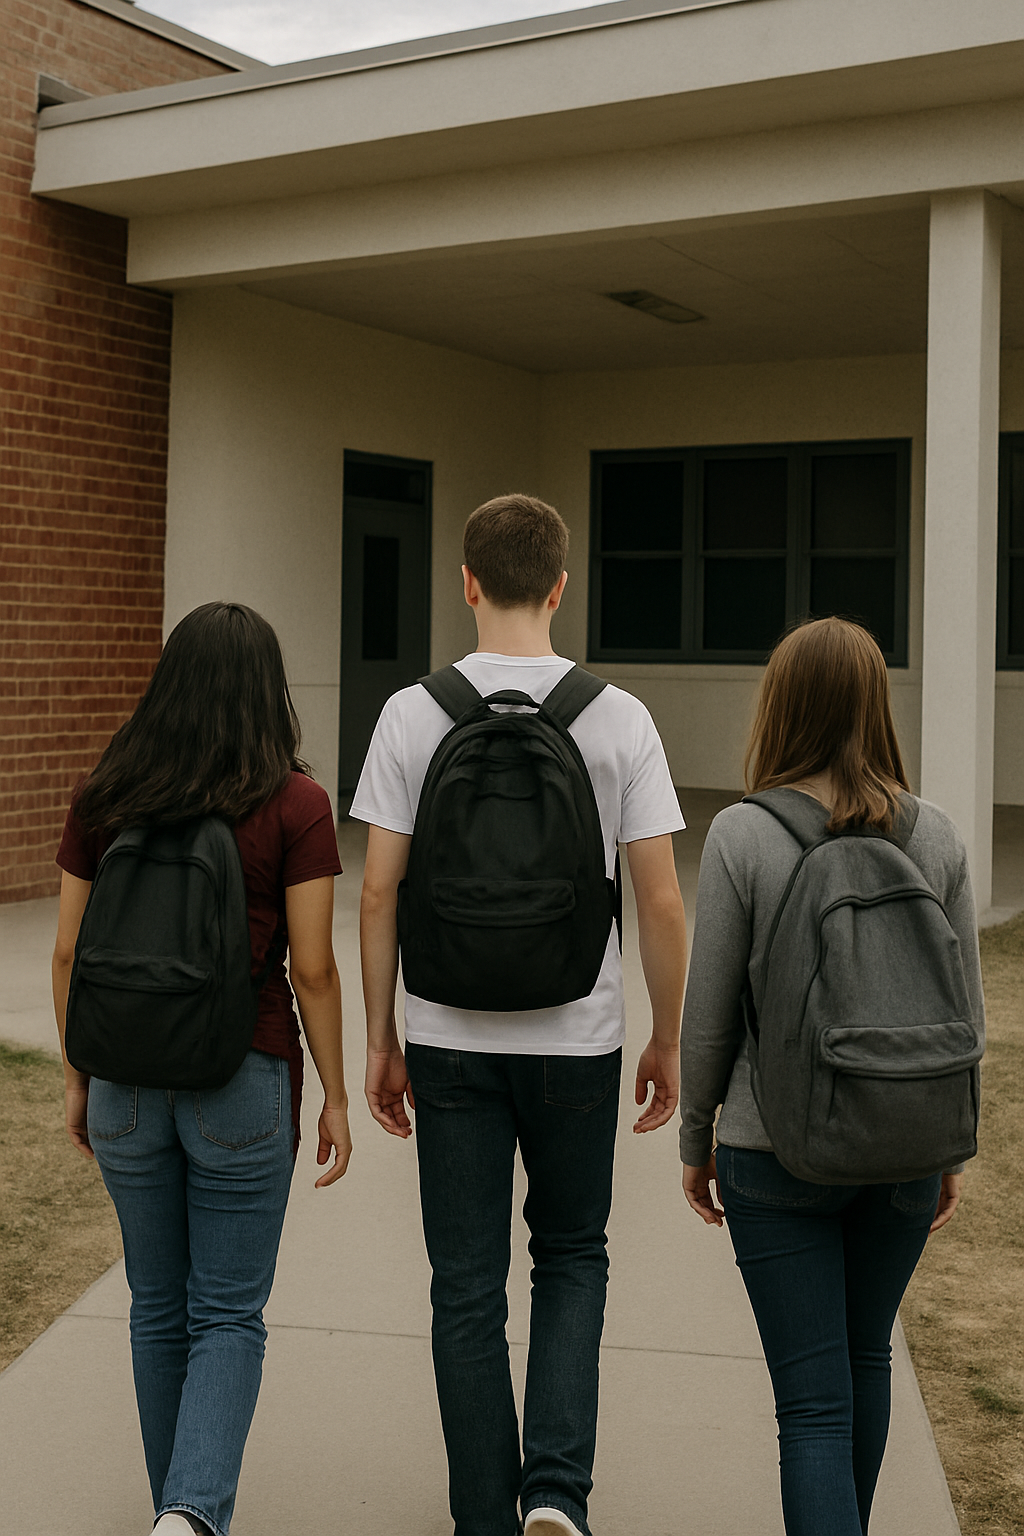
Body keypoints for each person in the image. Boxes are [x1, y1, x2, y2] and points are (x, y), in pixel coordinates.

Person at [351, 494, 688, 1536]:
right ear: (558, 586)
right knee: (572, 1255)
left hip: (446, 1034)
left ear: (464, 583)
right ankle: (555, 1494)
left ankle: (482, 1517)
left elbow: (375, 892)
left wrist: (379, 1038)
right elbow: (662, 899)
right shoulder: (616, 716)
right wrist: (667, 1038)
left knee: (464, 1286)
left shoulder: (413, 713)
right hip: (576, 1036)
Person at [678, 616, 985, 1536]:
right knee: (864, 1361)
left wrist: (698, 1141)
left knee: (811, 1407)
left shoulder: (743, 835)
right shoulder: (938, 837)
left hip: (774, 1151)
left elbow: (709, 1015)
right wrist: (948, 1151)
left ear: (783, 707)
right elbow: (967, 1011)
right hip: (903, 1150)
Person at [51, 601, 352, 1536]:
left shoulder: (107, 793)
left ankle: (174, 1511)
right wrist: (337, 1093)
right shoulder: (296, 805)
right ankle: (189, 1515)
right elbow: (311, 968)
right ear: (271, 692)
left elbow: (66, 954)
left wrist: (77, 1078)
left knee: (156, 1306)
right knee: (226, 1315)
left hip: (126, 1090)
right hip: (242, 1082)